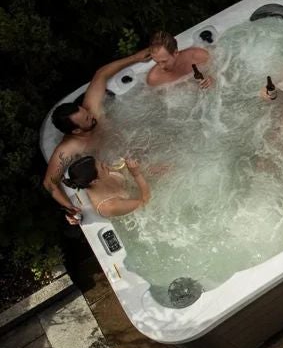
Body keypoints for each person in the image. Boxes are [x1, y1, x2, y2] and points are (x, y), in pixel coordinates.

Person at [44, 48, 151, 221]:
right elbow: (50, 183)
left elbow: (101, 74)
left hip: (132, 145)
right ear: (76, 131)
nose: (91, 114)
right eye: (87, 119)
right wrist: (71, 208)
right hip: (115, 170)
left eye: (85, 110)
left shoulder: (90, 108)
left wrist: (136, 57)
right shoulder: (69, 149)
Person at [62, 156, 151, 218]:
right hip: (136, 211)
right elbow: (145, 202)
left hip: (134, 187)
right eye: (101, 166)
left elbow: (123, 169)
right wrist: (137, 174)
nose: (105, 164)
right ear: (95, 181)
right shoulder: (109, 206)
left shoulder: (98, 176)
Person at [146, 30, 212, 88]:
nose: (161, 66)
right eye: (157, 62)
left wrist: (212, 79)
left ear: (175, 53)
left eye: (164, 61)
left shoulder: (198, 56)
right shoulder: (154, 79)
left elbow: (217, 70)